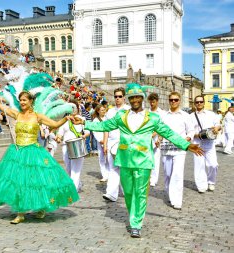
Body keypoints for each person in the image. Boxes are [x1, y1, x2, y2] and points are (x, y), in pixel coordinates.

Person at [72, 83, 204, 238]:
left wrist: (187, 145)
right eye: (132, 97)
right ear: (129, 99)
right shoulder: (121, 116)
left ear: (142, 99)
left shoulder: (152, 118)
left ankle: (136, 223)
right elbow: (105, 125)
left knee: (140, 192)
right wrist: (84, 123)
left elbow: (169, 133)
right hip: (125, 159)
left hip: (144, 160)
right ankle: (133, 214)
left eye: (137, 97)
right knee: (128, 192)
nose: (135, 100)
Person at [0, 77, 79, 224]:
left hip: (33, 152)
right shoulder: (17, 114)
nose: (22, 102)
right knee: (19, 182)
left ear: (31, 101)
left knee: (36, 182)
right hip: (17, 152)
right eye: (20, 100)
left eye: (25, 100)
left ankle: (41, 207)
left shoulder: (38, 116)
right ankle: (21, 213)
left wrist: (67, 118)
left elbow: (54, 124)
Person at [160, 92, 195, 210]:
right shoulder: (164, 115)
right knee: (168, 174)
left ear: (179, 101)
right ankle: (170, 194)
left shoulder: (185, 116)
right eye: (171, 100)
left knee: (178, 174)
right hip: (166, 148)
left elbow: (191, 131)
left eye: (175, 100)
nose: (173, 102)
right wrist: (158, 138)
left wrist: (186, 139)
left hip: (180, 149)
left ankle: (177, 200)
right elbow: (160, 130)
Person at [102, 87, 130, 202]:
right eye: (116, 96)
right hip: (112, 143)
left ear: (124, 97)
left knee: (125, 169)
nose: (117, 99)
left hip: (124, 143)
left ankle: (127, 190)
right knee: (113, 168)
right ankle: (111, 193)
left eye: (119, 96)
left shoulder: (128, 110)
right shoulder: (110, 111)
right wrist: (105, 144)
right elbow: (106, 128)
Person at [189, 95, 221, 193]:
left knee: (213, 165)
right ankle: (201, 186)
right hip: (197, 143)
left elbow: (218, 125)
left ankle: (211, 181)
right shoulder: (190, 117)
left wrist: (216, 128)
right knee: (199, 166)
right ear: (194, 104)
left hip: (209, 143)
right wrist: (196, 135)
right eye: (197, 102)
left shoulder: (211, 114)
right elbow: (189, 131)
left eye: (201, 102)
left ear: (204, 103)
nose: (199, 103)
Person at [57, 100, 90, 192]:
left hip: (78, 144)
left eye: (74, 107)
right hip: (66, 146)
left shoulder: (81, 119)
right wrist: (58, 138)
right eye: (70, 107)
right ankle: (77, 184)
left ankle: (73, 189)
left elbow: (88, 131)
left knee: (76, 169)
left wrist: (83, 136)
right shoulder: (65, 120)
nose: (73, 109)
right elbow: (60, 132)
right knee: (68, 169)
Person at [147, 93, 165, 187]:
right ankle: (147, 178)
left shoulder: (161, 113)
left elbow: (162, 127)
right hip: (147, 138)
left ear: (157, 101)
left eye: (153, 102)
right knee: (147, 159)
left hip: (156, 139)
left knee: (155, 159)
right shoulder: (146, 112)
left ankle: (153, 179)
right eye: (150, 102)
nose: (152, 104)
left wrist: (159, 138)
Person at [92, 104, 108, 182]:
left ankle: (109, 173)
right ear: (98, 111)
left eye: (104, 110)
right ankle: (104, 175)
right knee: (101, 158)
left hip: (108, 140)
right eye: (102, 110)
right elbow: (95, 131)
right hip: (101, 141)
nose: (103, 111)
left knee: (109, 158)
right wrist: (100, 140)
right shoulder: (95, 120)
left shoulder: (107, 118)